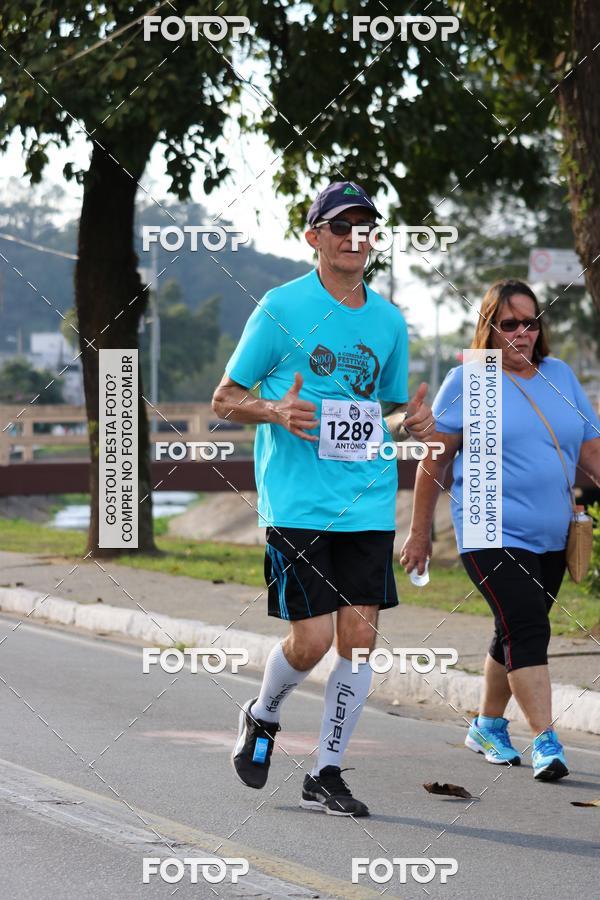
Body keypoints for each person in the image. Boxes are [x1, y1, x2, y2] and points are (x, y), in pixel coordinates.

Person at [212, 181, 434, 816]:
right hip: (298, 505)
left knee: (359, 641)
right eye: (340, 226)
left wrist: (407, 426)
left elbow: (381, 411)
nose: (353, 237)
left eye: (365, 227)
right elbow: (223, 398)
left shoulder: (389, 321)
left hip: (365, 500)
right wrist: (276, 411)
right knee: (308, 643)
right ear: (314, 237)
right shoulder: (281, 307)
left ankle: (327, 771)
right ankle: (263, 714)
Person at [402, 279, 600, 780]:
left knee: (512, 629)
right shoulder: (473, 379)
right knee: (530, 627)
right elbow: (436, 462)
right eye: (509, 323)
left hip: (553, 534)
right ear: (489, 327)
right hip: (488, 528)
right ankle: (546, 740)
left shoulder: (559, 375)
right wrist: (419, 532)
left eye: (531, 322)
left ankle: (488, 724)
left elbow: (591, 453)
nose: (522, 332)